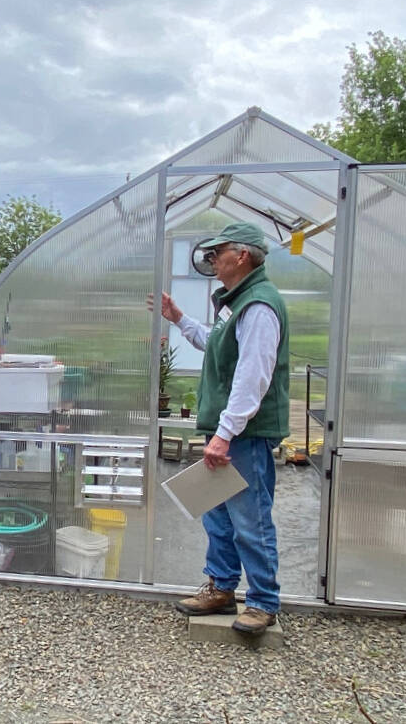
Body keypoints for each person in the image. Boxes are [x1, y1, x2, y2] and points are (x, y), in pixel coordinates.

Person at [156, 221, 290, 635]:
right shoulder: (236, 302)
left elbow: (253, 377)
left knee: (250, 520)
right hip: (228, 433)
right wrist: (179, 319)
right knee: (219, 518)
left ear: (243, 256)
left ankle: (264, 602)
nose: (212, 259)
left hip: (242, 437)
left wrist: (224, 434)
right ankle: (222, 588)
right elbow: (216, 342)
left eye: (219, 252)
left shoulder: (260, 305)